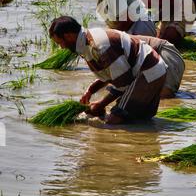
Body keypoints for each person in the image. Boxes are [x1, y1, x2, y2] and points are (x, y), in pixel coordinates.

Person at [49, 17, 185, 124]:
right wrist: (91, 90)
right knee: (139, 120)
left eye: (60, 42)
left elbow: (123, 83)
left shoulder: (100, 46)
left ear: (69, 36)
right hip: (147, 71)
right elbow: (110, 73)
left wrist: (101, 104)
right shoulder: (87, 41)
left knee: (113, 121)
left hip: (148, 72)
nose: (61, 47)